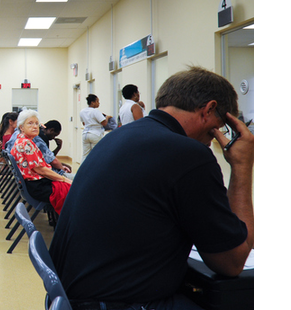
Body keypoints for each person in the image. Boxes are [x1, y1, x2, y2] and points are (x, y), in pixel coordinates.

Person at [49, 67, 254, 310]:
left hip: (78, 292)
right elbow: (232, 262)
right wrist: (242, 166)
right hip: (118, 302)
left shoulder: (120, 137)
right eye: (218, 126)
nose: (214, 138)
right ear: (208, 110)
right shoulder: (189, 155)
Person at [9, 109, 72, 215]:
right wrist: (64, 180)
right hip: (38, 187)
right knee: (76, 191)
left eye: (37, 123)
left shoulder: (21, 141)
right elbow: (41, 170)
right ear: (21, 127)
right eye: (30, 123)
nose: (35, 126)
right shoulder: (27, 144)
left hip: (33, 185)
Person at [80, 94, 110, 162]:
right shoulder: (95, 111)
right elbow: (104, 123)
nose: (99, 103)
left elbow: (84, 123)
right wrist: (107, 117)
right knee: (97, 154)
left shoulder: (82, 111)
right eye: (97, 101)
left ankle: (83, 171)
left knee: (85, 154)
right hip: (95, 134)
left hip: (85, 134)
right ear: (92, 102)